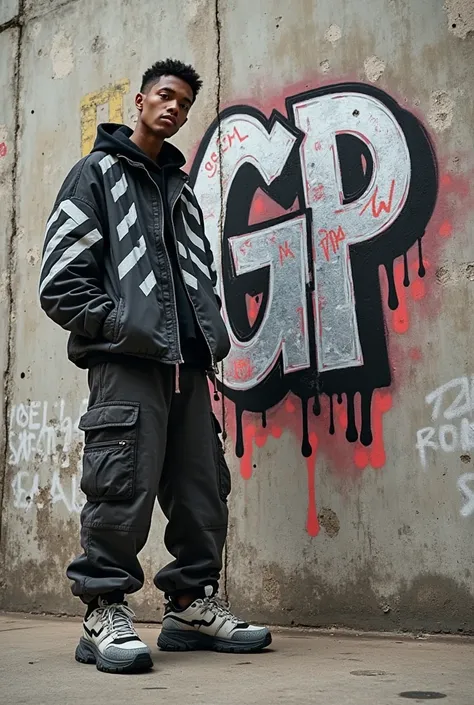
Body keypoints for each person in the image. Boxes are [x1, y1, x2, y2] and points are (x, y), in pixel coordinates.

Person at [39, 58, 271, 674]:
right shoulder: (96, 175)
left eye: (185, 104)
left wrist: (210, 334)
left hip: (189, 368)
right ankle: (103, 610)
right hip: (129, 366)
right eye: (165, 96)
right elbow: (59, 281)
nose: (174, 108)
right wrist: (122, 327)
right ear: (140, 101)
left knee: (203, 492)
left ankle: (191, 606)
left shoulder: (183, 192)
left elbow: (200, 276)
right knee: (119, 488)